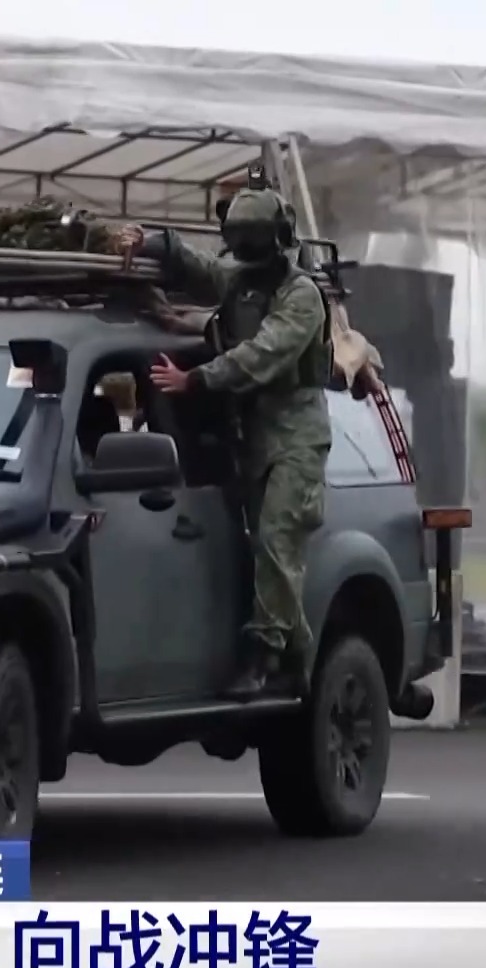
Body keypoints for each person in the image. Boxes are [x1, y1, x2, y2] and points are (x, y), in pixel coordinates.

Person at [118, 187, 333, 701]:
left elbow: (263, 354)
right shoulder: (240, 280)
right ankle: (301, 663)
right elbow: (199, 267)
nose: (243, 255)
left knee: (276, 541)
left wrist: (195, 379)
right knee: (268, 553)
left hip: (297, 438)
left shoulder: (300, 295)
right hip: (255, 436)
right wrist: (152, 243)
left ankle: (264, 657)